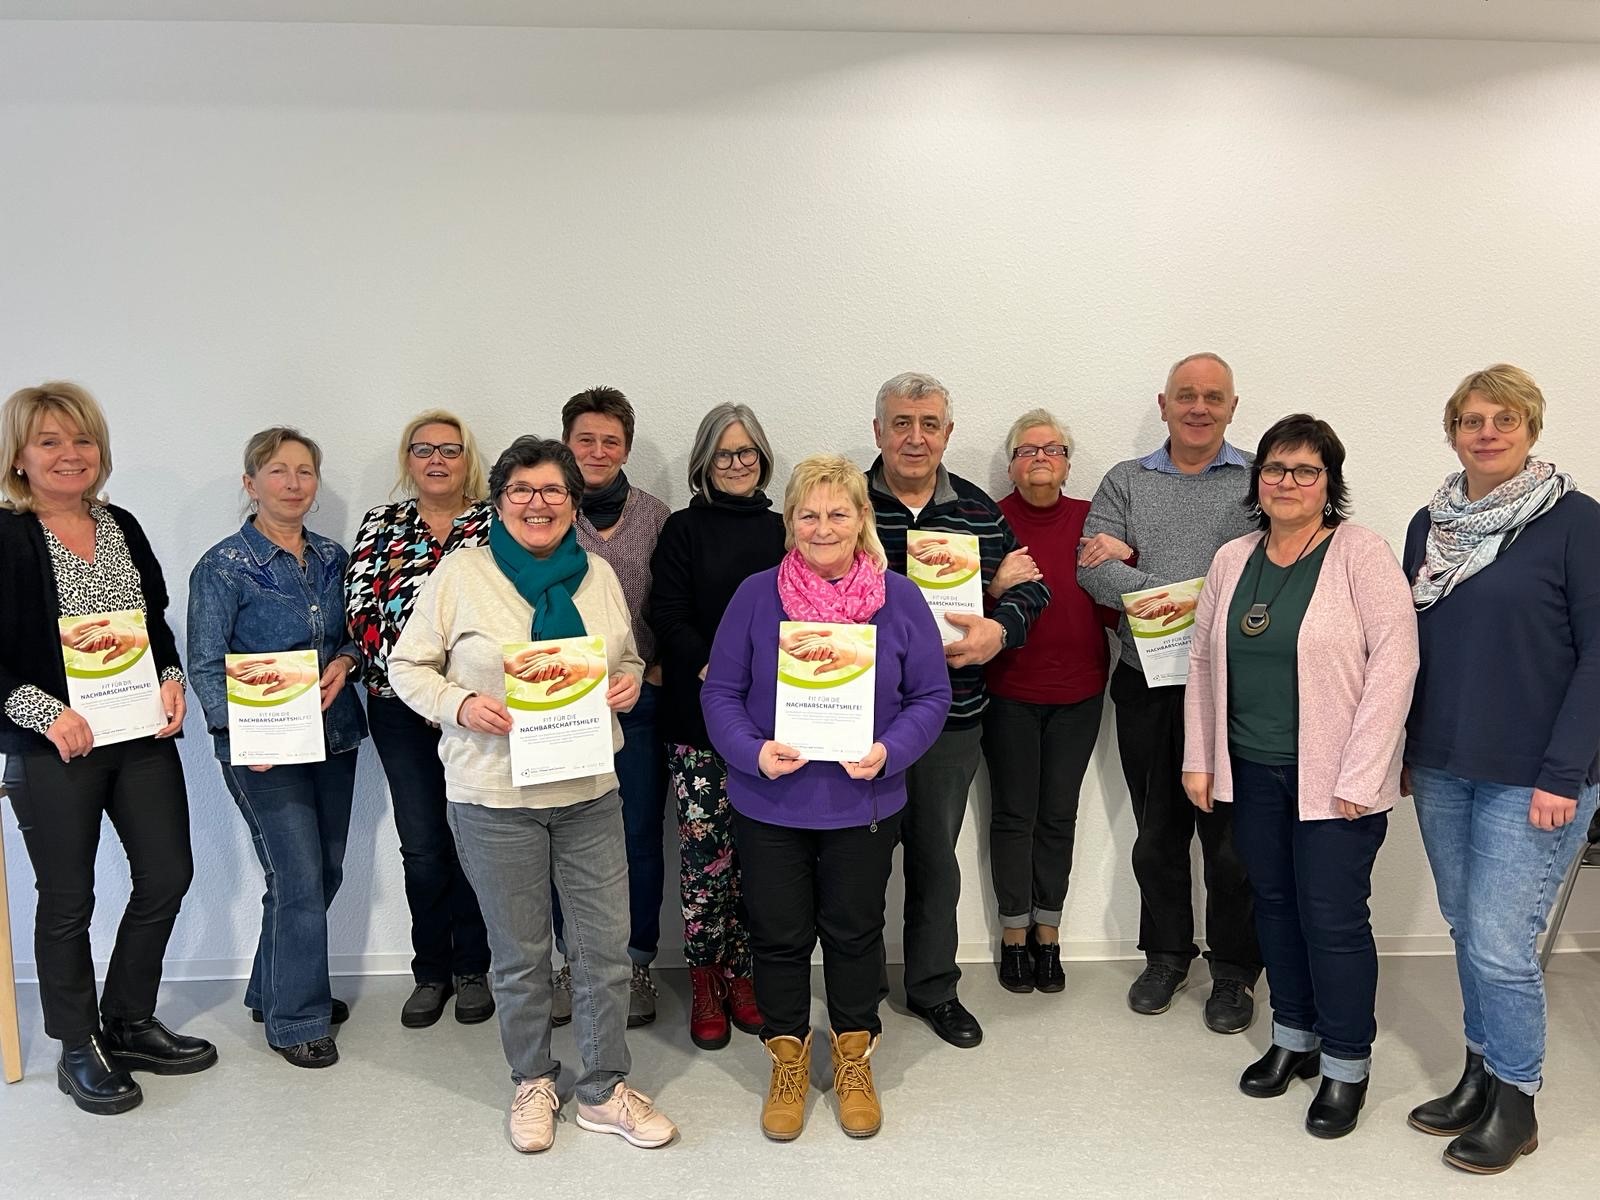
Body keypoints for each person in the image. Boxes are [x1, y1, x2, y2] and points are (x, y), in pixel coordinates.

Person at [388, 436, 677, 1154]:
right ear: (499, 499)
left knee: (605, 950)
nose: (537, 503)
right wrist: (458, 704)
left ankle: (604, 1089)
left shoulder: (599, 577)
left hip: (586, 791)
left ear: (572, 503)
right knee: (520, 957)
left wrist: (631, 680)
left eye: (553, 491)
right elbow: (407, 664)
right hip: (493, 795)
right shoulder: (462, 574)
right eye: (522, 490)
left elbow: (629, 655)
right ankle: (533, 1079)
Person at [1182, 414, 1418, 1138]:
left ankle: (1346, 1063)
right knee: (1274, 904)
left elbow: (1397, 661)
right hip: (1252, 770)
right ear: (1259, 480)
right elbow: (1200, 659)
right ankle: (1295, 1037)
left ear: (1329, 483)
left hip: (1337, 779)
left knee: (1333, 918)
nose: (1287, 483)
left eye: (1305, 471)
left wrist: (1365, 769)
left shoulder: (1360, 554)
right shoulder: (1233, 559)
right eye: (1275, 469)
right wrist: (1199, 756)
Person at [702, 454, 950, 1140]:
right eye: (808, 514)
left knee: (854, 932)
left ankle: (852, 1053)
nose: (822, 526)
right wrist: (752, 751)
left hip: (862, 804)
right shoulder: (756, 595)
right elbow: (719, 692)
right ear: (790, 523)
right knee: (777, 938)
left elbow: (931, 696)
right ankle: (787, 1056)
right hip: (770, 802)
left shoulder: (899, 599)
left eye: (838, 512)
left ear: (862, 520)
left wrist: (888, 751)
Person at [1401, 365, 1600, 1175]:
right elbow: (1420, 649)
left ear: (1531, 428)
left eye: (1504, 419)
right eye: (1472, 419)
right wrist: (1410, 748)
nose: (1487, 432)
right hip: (1446, 766)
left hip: (1537, 773)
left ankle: (1516, 1104)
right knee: (1465, 925)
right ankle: (1480, 1073)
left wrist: (1565, 771)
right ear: (1452, 431)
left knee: (1501, 945)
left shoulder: (1576, 522)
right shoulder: (1429, 525)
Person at [0, 382, 214, 1115]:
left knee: (168, 874)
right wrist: (42, 710)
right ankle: (76, 1044)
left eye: (82, 440)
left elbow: (152, 622)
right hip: (52, 747)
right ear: (19, 457)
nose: (70, 455)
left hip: (137, 736)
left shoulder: (119, 523)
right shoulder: (5, 533)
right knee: (68, 900)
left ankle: (126, 1020)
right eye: (50, 442)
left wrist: (173, 678)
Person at [1077, 352, 1263, 1032]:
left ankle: (1236, 971)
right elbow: (1090, 570)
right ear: (1163, 404)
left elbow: (1269, 574)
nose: (1199, 407)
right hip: (1146, 684)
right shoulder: (1124, 481)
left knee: (1232, 842)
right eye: (1186, 395)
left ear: (1233, 407)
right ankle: (1166, 954)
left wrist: (1144, 575)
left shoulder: (1257, 481)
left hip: (1234, 689)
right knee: (1158, 834)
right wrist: (1191, 594)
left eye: (1214, 396)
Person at [863, 372, 1049, 1050]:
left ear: (948, 433)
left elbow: (1035, 590)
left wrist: (999, 627)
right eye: (902, 422)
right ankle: (859, 1000)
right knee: (860, 862)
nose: (916, 437)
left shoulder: (977, 512)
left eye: (930, 423)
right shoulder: (845, 505)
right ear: (877, 430)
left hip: (952, 721)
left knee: (935, 859)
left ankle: (934, 987)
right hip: (864, 724)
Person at [188, 427, 367, 1069]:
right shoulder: (222, 567)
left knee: (324, 871)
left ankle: (276, 987)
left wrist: (347, 661)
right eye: (278, 471)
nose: (293, 483)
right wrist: (237, 738)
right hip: (262, 748)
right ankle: (297, 1021)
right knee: (295, 877)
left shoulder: (334, 557)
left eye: (305, 472)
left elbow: (357, 634)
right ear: (251, 483)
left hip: (334, 735)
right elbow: (206, 664)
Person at [345, 410, 495, 1029]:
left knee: (479, 839)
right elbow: (359, 610)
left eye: (450, 450)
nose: (437, 460)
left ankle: (476, 968)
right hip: (400, 708)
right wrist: (423, 686)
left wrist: (455, 694)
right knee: (424, 844)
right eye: (423, 449)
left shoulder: (495, 522)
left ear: (469, 460)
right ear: (409, 459)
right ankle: (431, 970)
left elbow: (508, 610)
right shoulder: (382, 523)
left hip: (482, 710)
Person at [647, 403, 785, 1049]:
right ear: (705, 461)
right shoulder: (681, 530)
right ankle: (705, 976)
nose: (737, 463)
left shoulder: (787, 531)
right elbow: (669, 616)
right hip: (699, 718)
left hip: (775, 727)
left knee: (762, 857)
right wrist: (719, 674)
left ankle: (745, 972)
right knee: (706, 861)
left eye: (748, 452)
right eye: (725, 453)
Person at [982, 409, 1118, 994]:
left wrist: (1126, 558)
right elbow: (952, 606)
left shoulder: (1094, 523)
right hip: (1008, 691)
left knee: (1058, 814)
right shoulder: (988, 521)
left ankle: (1049, 933)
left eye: (1053, 448)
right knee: (1014, 815)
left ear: (1067, 462)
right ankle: (1014, 936)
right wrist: (994, 586)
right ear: (1012, 463)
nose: (1041, 457)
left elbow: (1121, 602)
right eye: (1028, 449)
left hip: (1081, 692)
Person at [550, 386, 672, 1028]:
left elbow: (669, 601)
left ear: (625, 447)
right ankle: (573, 961)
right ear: (566, 442)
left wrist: (652, 668)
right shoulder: (539, 509)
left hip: (636, 703)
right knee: (563, 837)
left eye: (611, 441)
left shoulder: (655, 515)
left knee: (637, 838)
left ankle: (638, 962)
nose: (598, 451)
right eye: (585, 439)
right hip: (555, 708)